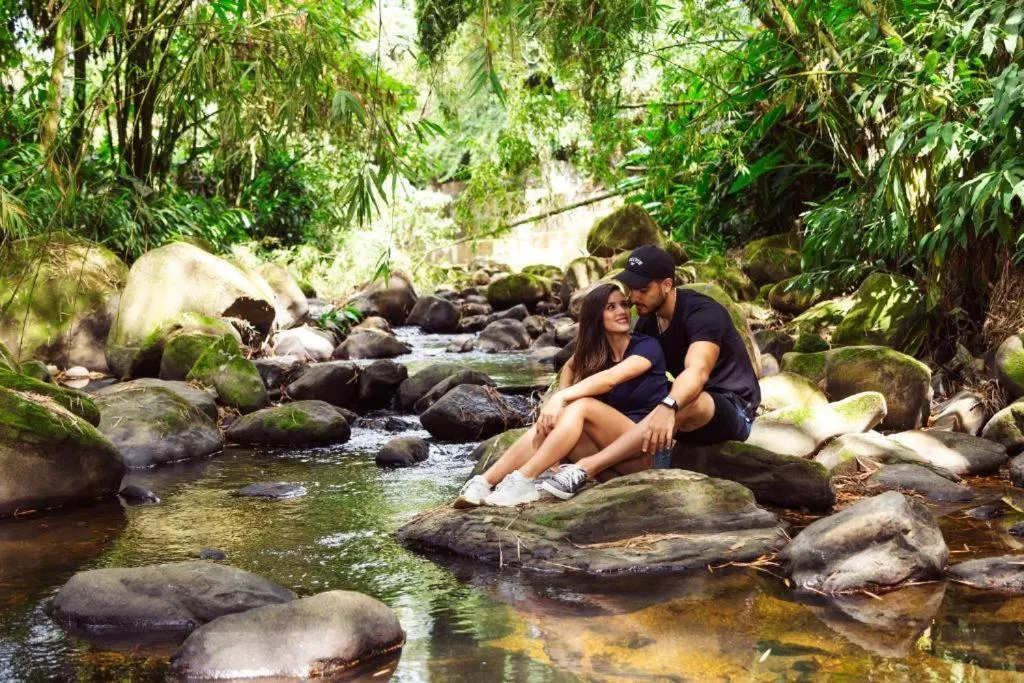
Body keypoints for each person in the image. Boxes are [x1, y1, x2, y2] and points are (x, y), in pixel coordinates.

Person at [539, 244, 761, 499]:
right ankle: (610, 481)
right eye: (632, 289)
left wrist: (669, 405)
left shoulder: (703, 313)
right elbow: (602, 370)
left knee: (688, 400)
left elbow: (697, 372)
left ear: (666, 285)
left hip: (733, 407)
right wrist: (563, 398)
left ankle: (587, 467)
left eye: (643, 290)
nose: (634, 298)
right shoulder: (647, 322)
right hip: (683, 402)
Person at [454, 282, 670, 508]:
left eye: (623, 305)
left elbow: (610, 378)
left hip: (645, 453)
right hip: (605, 462)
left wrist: (560, 397)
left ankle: (524, 479)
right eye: (611, 307)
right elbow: (569, 367)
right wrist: (559, 400)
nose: (622, 312)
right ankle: (484, 482)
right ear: (596, 316)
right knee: (557, 418)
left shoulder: (647, 347)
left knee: (581, 405)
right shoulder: (594, 352)